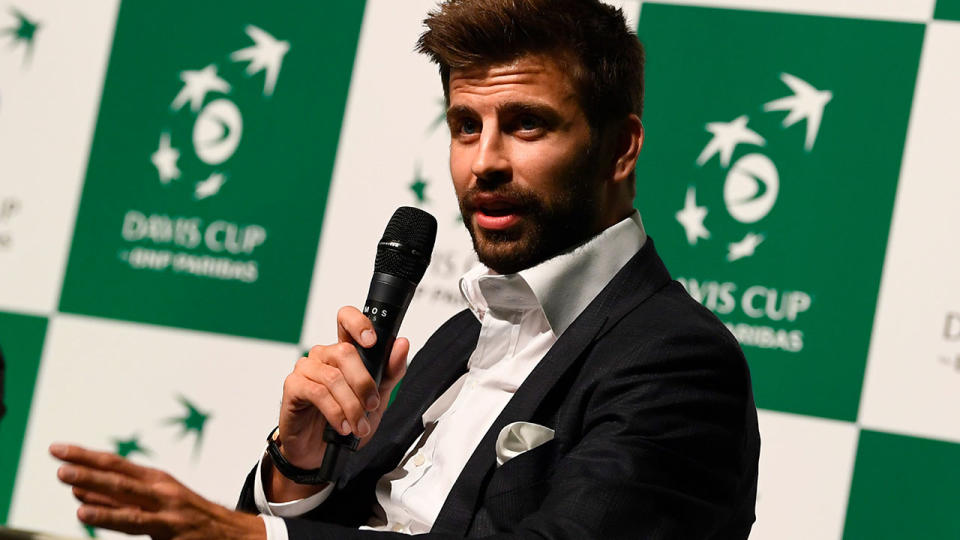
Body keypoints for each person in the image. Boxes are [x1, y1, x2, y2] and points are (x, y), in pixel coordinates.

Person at [50, 0, 760, 538]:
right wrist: (299, 468)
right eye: (464, 126)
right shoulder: (459, 338)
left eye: (526, 124)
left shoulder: (680, 362)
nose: (485, 162)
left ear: (622, 149)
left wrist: (252, 537)